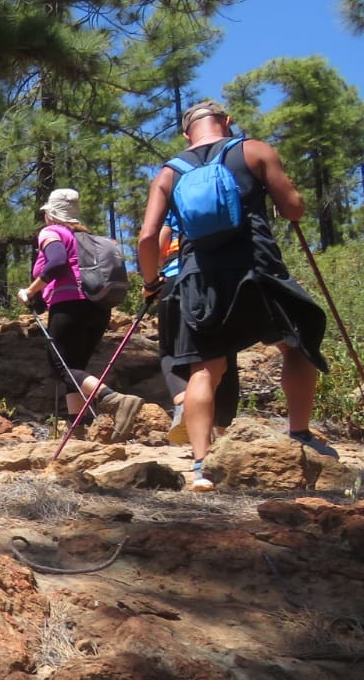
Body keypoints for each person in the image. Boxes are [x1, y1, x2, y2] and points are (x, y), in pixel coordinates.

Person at [139, 99, 333, 492]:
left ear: (185, 133)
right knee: (296, 345)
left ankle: (200, 467)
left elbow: (147, 238)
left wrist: (150, 281)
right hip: (257, 270)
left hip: (198, 277)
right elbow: (294, 208)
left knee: (204, 369)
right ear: (226, 122)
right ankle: (299, 433)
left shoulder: (169, 173)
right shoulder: (253, 150)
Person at [18, 187, 144, 440]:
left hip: (70, 305)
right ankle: (78, 430)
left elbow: (56, 263)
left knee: (60, 366)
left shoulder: (51, 232)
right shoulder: (85, 238)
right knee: (75, 369)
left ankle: (112, 399)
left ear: (51, 214)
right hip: (98, 308)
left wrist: (30, 292)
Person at [156, 223, 240, 445]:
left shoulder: (175, 195)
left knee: (169, 350)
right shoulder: (231, 188)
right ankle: (222, 428)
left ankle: (184, 402)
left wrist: (152, 276)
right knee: (224, 353)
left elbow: (156, 240)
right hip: (220, 279)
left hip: (176, 277)